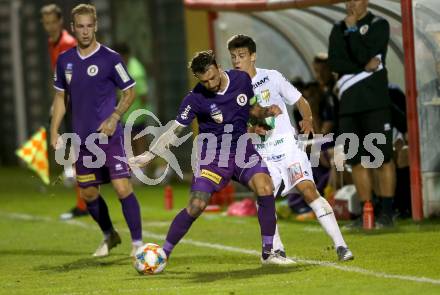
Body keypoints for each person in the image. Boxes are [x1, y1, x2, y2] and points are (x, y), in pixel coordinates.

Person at [130, 50, 294, 265]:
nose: (210, 84)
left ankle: (268, 253)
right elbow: (174, 131)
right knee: (197, 205)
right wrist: (150, 155)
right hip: (213, 157)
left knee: (265, 188)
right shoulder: (195, 98)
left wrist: (265, 112)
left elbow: (251, 107)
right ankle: (163, 255)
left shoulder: (241, 79)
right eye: (204, 81)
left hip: (242, 150)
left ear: (217, 67)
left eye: (212, 77)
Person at [227, 34, 353, 261]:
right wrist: (251, 131)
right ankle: (277, 248)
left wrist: (307, 118)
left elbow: (300, 100)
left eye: (242, 56)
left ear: (253, 56)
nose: (237, 61)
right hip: (263, 155)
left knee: (308, 190)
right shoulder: (232, 92)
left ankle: (341, 246)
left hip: (288, 148)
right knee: (265, 198)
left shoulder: (272, 78)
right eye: (234, 56)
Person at [50, 4, 143, 257]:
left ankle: (138, 245)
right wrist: (54, 129)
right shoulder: (65, 61)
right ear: (73, 28)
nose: (85, 31)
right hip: (82, 140)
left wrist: (114, 116)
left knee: (122, 187)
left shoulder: (111, 58)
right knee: (89, 193)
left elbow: (130, 91)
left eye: (89, 26)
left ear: (96, 26)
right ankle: (109, 234)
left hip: (110, 137)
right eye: (80, 26)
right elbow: (60, 98)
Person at [328, 0, 396, 228]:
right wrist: (361, 64)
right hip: (349, 107)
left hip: (375, 103)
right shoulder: (338, 28)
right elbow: (336, 62)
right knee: (356, 160)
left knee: (382, 158)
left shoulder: (379, 24)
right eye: (347, 0)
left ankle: (388, 213)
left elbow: (361, 53)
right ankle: (367, 210)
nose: (351, 4)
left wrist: (354, 30)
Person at [41, 3, 88, 220]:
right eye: (46, 22)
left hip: (77, 104)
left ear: (60, 22)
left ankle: (84, 202)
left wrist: (58, 104)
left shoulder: (67, 44)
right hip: (70, 103)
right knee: (80, 154)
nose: (50, 26)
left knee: (83, 154)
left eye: (53, 22)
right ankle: (83, 202)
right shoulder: (53, 43)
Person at [113, 43, 149, 158]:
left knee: (139, 141)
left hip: (136, 115)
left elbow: (144, 96)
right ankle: (134, 170)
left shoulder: (136, 71)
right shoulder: (120, 67)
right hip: (124, 114)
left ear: (126, 55)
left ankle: (142, 171)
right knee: (128, 143)